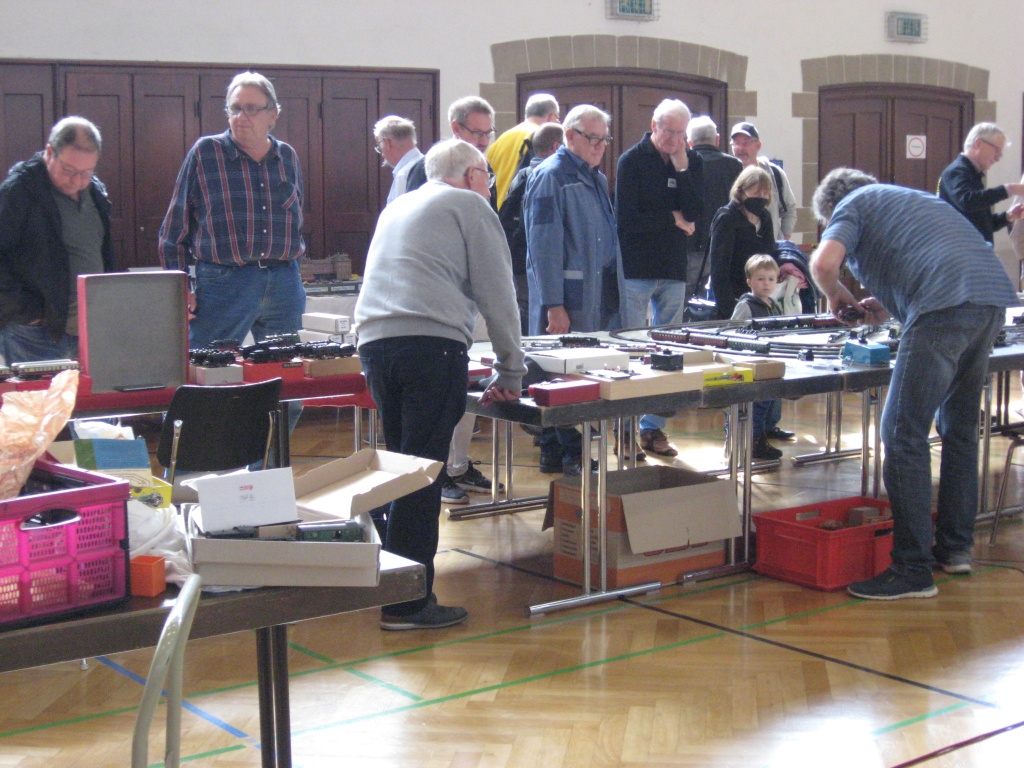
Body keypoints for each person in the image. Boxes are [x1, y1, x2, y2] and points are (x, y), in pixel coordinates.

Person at [810, 167, 1018, 600]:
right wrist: (888, 306)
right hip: (990, 300)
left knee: (902, 433)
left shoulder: (851, 205)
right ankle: (955, 549)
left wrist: (835, 294)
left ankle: (911, 569)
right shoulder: (908, 198)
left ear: (831, 210)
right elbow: (935, 258)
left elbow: (824, 263)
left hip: (944, 306)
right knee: (959, 430)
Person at [355, 138, 525, 629]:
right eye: (488, 177)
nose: (489, 187)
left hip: (376, 344)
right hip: (429, 346)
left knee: (404, 467)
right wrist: (511, 369)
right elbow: (498, 291)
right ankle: (407, 604)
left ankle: (392, 583)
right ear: (473, 175)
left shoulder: (398, 207)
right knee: (423, 474)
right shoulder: (469, 205)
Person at [158, 72, 306, 351]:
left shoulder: (287, 156)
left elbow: (296, 222)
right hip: (225, 282)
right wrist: (179, 289)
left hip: (284, 282)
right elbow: (173, 232)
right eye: (235, 108)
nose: (241, 117)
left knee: (287, 368)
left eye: (251, 109)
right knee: (210, 366)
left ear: (272, 115)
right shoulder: (206, 153)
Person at [523, 104, 624, 475]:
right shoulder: (551, 176)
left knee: (576, 373)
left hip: (597, 295)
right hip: (567, 299)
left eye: (604, 139)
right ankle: (573, 453)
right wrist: (554, 304)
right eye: (592, 138)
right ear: (569, 136)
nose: (599, 146)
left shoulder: (594, 177)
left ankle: (553, 452)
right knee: (563, 375)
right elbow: (543, 245)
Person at [615, 98, 703, 458]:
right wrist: (671, 218)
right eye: (668, 131)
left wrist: (682, 171)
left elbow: (695, 213)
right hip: (637, 268)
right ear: (654, 126)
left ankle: (651, 428)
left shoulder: (690, 161)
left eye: (680, 133)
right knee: (633, 351)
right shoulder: (631, 161)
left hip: (672, 268)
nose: (674, 139)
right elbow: (627, 220)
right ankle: (623, 430)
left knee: (668, 353)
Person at [0, 116, 114, 364]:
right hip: (34, 332)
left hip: (87, 327)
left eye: (86, 172)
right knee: (40, 391)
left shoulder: (95, 191)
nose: (77, 181)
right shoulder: (18, 191)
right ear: (50, 153)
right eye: (69, 171)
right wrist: (25, 311)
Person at [499, 122, 564, 335]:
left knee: (526, 313)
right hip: (535, 261)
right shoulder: (550, 177)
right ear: (556, 147)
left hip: (517, 259)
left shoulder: (522, 175)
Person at [730, 254, 788, 460]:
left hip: (769, 361)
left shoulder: (774, 305)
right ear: (749, 282)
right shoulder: (746, 305)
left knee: (770, 401)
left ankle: (765, 432)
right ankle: (754, 440)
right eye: (760, 279)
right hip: (752, 363)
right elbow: (733, 331)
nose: (766, 284)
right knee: (758, 403)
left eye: (771, 279)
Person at [938, 122, 1024, 244]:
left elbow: (983, 224)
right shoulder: (956, 171)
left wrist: (1009, 215)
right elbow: (968, 202)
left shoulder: (972, 173)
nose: (997, 158)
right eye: (997, 151)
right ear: (978, 143)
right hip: (960, 250)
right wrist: (1010, 189)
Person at [708, 165, 775, 321]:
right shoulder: (727, 218)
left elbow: (769, 255)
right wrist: (729, 309)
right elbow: (719, 268)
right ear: (741, 192)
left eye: (765, 193)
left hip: (757, 297)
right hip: (732, 296)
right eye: (756, 193)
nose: (761, 197)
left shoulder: (765, 217)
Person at [405, 96, 497, 209]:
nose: (484, 141)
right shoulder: (425, 167)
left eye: (488, 133)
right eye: (477, 133)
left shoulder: (485, 166)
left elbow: (492, 212)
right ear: (456, 128)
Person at [686, 115, 743, 296]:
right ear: (717, 139)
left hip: (690, 246)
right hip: (725, 248)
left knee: (686, 304)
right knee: (720, 302)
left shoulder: (682, 163)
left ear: (689, 142)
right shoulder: (734, 165)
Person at [487, 93, 560, 208]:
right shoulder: (540, 138)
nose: (558, 123)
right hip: (518, 211)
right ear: (551, 117)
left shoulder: (500, 140)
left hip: (496, 211)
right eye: (557, 118)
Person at [729, 122, 796, 241]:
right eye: (736, 143)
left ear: (758, 145)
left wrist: (783, 239)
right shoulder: (727, 173)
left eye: (746, 143)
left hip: (769, 246)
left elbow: (789, 209)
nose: (740, 148)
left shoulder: (774, 173)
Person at [373, 115, 423, 204]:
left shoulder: (403, 175)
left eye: (380, 147)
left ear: (387, 143)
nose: (382, 155)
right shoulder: (430, 165)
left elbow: (401, 212)